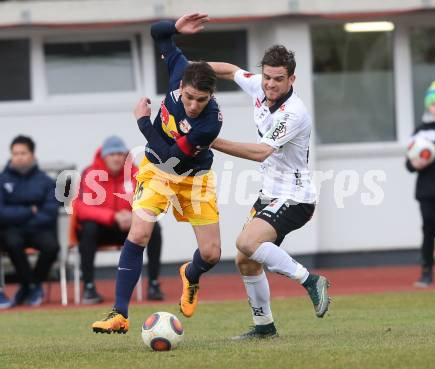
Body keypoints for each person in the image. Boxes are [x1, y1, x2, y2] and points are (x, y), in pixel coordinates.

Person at [92, 13, 222, 333]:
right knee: (138, 234)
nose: (193, 105)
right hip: (156, 173)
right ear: (182, 85)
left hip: (193, 178)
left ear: (211, 97)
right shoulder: (180, 69)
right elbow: (157, 33)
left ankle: (190, 275)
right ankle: (119, 314)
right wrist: (176, 28)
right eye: (189, 97)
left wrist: (142, 122)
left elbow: (171, 156)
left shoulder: (210, 123)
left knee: (212, 253)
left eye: (201, 100)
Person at [208, 45, 330, 339]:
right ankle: (264, 327)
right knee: (245, 259)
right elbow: (228, 69)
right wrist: (189, 68)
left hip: (296, 197)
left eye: (278, 79)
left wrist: (209, 139)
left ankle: (310, 280)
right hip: (270, 193)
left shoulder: (294, 113)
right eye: (267, 77)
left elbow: (261, 152)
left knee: (246, 242)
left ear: (292, 80)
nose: (271, 84)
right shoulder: (259, 87)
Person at [73, 136, 164, 304]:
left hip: (129, 229)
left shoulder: (138, 174)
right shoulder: (90, 174)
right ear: (103, 156)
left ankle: (153, 284)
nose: (116, 158)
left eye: (120, 154)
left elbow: (149, 201)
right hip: (102, 229)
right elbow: (81, 208)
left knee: (154, 228)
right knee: (88, 229)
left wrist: (134, 216)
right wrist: (112, 216)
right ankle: (89, 287)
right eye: (111, 154)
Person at [0, 135, 59, 307]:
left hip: (38, 228)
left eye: (23, 153)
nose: (19, 157)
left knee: (52, 246)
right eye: (15, 153)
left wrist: (19, 217)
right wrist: (29, 211)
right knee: (12, 243)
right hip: (12, 230)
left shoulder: (46, 182)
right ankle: (32, 286)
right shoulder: (2, 180)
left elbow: (49, 212)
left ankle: (29, 285)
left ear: (32, 155)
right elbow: (1, 212)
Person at [406, 80, 435, 287]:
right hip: (428, 193)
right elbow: (409, 164)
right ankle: (426, 271)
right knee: (429, 232)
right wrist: (414, 163)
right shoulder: (420, 132)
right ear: (429, 105)